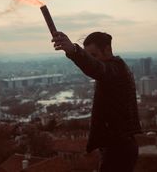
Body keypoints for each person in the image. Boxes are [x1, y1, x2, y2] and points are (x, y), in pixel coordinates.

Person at [52, 31, 142, 172]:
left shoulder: (114, 70)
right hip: (118, 146)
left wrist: (75, 51)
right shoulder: (117, 69)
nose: (93, 60)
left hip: (118, 149)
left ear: (107, 50)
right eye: (90, 57)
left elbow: (97, 68)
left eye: (94, 56)